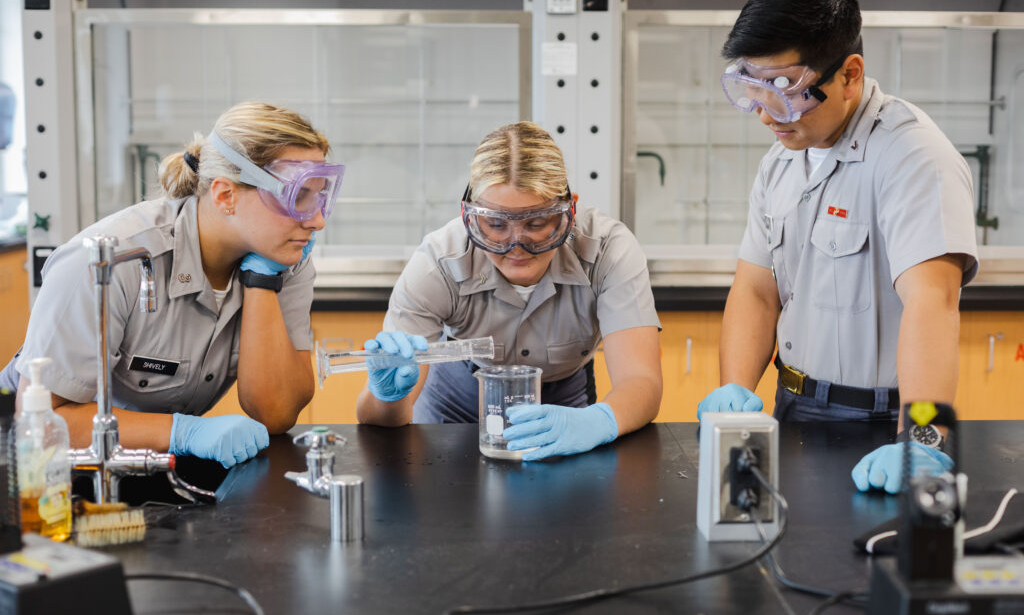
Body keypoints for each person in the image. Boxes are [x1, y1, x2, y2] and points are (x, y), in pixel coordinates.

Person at [695, 0, 978, 494]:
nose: (767, 114)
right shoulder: (782, 160)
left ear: (849, 74)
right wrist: (735, 387)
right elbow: (757, 290)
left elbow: (932, 307)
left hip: (878, 427)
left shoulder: (913, 158)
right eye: (754, 89)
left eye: (785, 88)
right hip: (791, 407)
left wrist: (921, 442)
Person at [2, 102, 344, 468]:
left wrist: (261, 283)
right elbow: (43, 425)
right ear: (225, 195)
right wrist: (184, 433)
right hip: (35, 469)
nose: (317, 221)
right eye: (297, 197)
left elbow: (275, 412)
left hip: (150, 465)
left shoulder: (279, 259)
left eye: (320, 196)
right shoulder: (109, 261)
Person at [355, 121, 662, 460]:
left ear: (569, 212)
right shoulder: (438, 262)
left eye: (536, 224)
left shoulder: (607, 250)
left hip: (564, 405)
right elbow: (377, 422)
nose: (516, 245)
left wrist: (596, 422)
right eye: (496, 225)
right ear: (469, 216)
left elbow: (641, 381)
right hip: (455, 400)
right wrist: (388, 397)